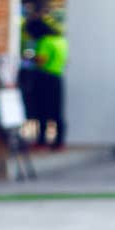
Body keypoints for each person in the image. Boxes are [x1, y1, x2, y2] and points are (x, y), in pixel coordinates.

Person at [27, 17, 68, 150]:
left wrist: (30, 58)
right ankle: (59, 141)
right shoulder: (61, 40)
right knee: (57, 109)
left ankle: (41, 141)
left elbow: (41, 60)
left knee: (42, 109)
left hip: (44, 77)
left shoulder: (45, 41)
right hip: (57, 77)